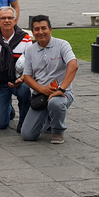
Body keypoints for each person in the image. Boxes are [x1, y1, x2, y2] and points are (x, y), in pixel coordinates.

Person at [20, 15, 79, 144]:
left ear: (50, 29)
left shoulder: (62, 44)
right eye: (36, 29)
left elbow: (73, 65)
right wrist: (43, 89)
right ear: (33, 32)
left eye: (43, 28)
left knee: (55, 103)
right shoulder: (30, 50)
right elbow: (27, 76)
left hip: (62, 93)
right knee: (27, 135)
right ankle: (48, 121)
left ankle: (58, 130)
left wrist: (61, 88)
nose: (40, 32)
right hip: (40, 95)